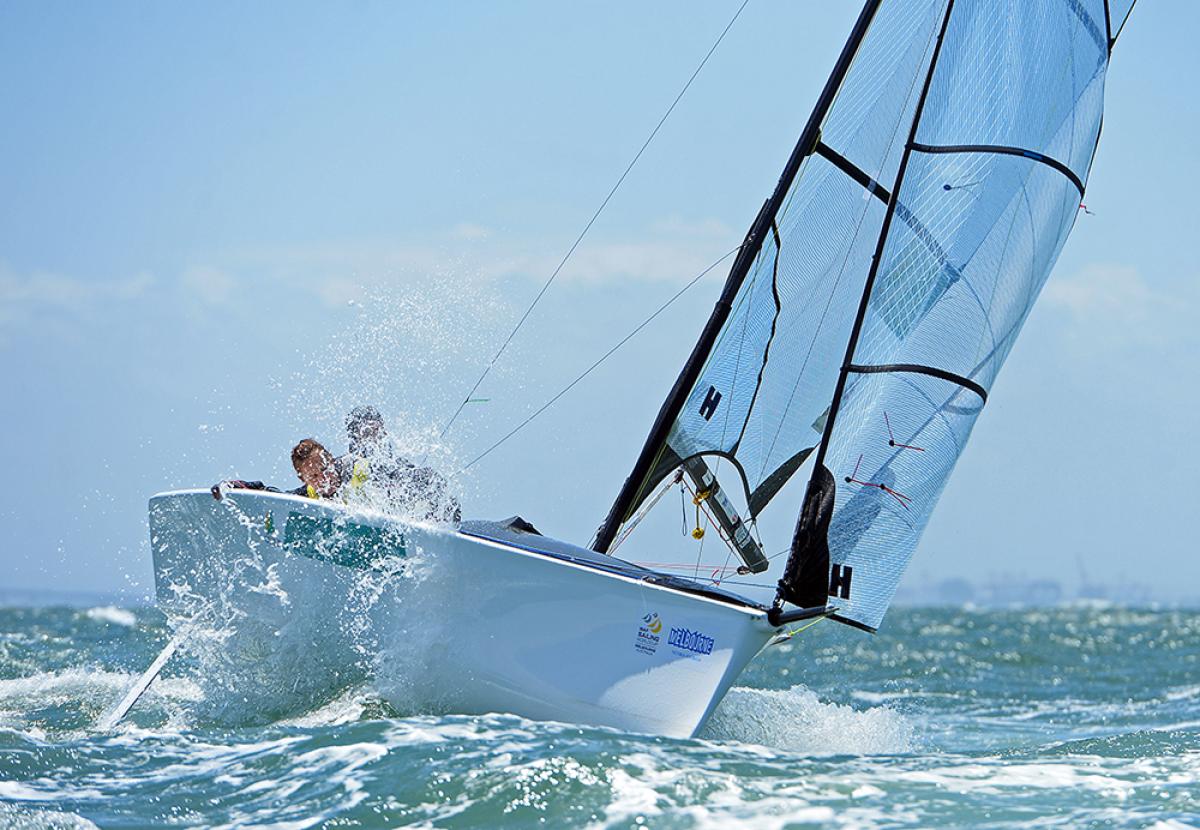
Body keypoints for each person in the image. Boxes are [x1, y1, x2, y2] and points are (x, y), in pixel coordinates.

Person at [340, 405, 460, 522]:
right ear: (354, 438)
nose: (375, 439)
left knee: (435, 482)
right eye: (367, 433)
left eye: (378, 432)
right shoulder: (343, 465)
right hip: (354, 521)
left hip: (392, 523)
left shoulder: (397, 465)